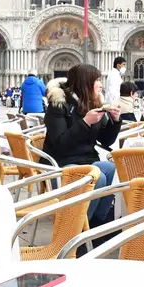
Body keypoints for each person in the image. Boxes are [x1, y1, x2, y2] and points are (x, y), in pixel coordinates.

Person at [43, 65, 121, 223]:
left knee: (115, 169)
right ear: (85, 83)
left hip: (86, 161)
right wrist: (85, 123)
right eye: (97, 80)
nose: (101, 85)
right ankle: (76, 226)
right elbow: (60, 143)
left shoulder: (93, 104)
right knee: (97, 179)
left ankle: (97, 223)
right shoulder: (58, 105)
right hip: (60, 165)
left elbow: (106, 140)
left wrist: (115, 121)